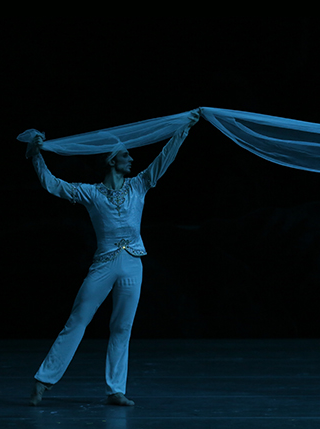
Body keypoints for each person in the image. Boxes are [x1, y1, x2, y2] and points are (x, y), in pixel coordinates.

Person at [26, 109, 201, 406]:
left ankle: (116, 389)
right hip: (104, 263)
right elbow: (53, 184)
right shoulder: (92, 193)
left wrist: (182, 130)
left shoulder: (139, 185)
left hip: (133, 262)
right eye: (125, 156)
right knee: (78, 320)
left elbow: (164, 159)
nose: (131, 160)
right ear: (112, 161)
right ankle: (43, 380)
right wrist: (36, 156)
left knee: (122, 327)